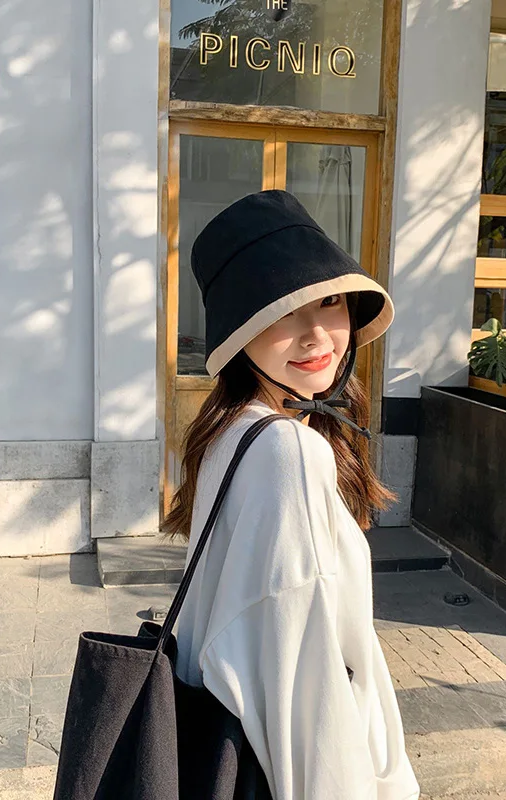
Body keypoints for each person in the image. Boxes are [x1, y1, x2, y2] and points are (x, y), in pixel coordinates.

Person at [163, 190, 421, 800]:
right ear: (241, 334)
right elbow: (306, 687)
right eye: (282, 312)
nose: (317, 334)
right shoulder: (287, 450)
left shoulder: (229, 432)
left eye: (329, 301)